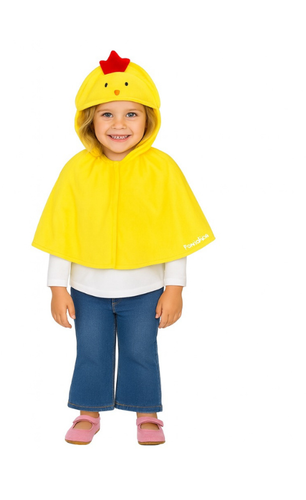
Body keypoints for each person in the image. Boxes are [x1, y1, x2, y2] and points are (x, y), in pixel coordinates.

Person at [32, 51, 215, 445]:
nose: (119, 124)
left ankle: (146, 412)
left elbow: (176, 232)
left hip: (145, 290)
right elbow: (60, 231)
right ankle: (88, 411)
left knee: (141, 352)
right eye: (107, 114)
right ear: (89, 120)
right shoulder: (76, 170)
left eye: (131, 114)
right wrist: (57, 287)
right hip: (87, 290)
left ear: (149, 118)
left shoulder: (162, 169)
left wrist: (175, 288)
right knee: (90, 352)